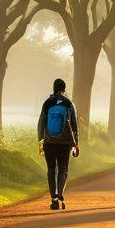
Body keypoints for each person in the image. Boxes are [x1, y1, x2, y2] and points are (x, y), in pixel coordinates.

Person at [37, 78, 79, 211]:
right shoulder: (68, 103)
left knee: (51, 170)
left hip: (49, 142)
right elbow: (74, 125)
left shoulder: (47, 103)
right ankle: (60, 194)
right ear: (64, 89)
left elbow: (41, 124)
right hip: (65, 142)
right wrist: (75, 143)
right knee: (63, 169)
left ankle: (53, 199)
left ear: (53, 88)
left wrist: (40, 140)